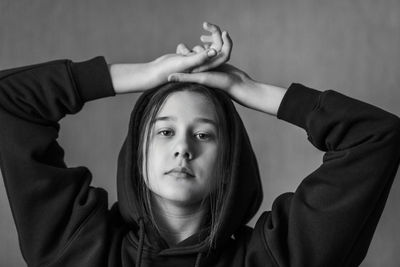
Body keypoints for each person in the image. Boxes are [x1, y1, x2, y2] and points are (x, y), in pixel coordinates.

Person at [0, 22, 399, 267]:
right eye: (164, 131)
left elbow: (375, 136)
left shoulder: (277, 257)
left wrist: (245, 88)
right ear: (138, 153)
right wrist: (145, 74)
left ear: (230, 160)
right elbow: (9, 100)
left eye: (204, 134)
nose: (183, 149)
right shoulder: (80, 249)